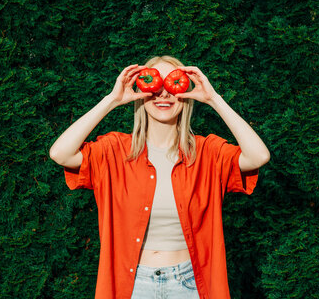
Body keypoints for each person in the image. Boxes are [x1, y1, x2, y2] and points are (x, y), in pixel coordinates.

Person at [49, 55, 270, 299]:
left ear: (185, 94)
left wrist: (214, 99)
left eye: (173, 84)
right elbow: (60, 153)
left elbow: (258, 156)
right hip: (132, 286)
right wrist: (111, 100)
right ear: (140, 92)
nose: (163, 94)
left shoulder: (208, 153)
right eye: (153, 84)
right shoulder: (114, 151)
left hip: (189, 285)